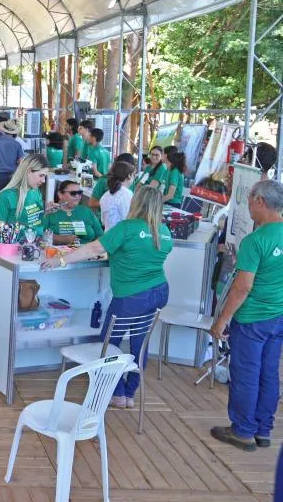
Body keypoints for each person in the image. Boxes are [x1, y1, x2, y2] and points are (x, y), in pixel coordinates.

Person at [41, 186, 172, 409]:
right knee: (140, 344)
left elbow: (93, 248)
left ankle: (117, 393)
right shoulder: (164, 231)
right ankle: (130, 393)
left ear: (137, 202)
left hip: (130, 297)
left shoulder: (127, 228)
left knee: (109, 344)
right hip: (158, 292)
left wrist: (60, 260)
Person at [209, 180, 283, 451]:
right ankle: (263, 430)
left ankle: (242, 430)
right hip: (278, 316)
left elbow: (242, 287)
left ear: (260, 201)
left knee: (246, 374)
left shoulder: (255, 241)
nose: (248, 206)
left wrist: (222, 320)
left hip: (252, 317)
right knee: (269, 373)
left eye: (250, 200)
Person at [0, 154, 49, 258]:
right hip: (17, 252)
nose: (43, 181)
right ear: (29, 171)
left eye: (45, 176)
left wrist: (47, 211)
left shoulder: (36, 191)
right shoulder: (5, 197)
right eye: (41, 175)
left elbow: (35, 221)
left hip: (39, 248)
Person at [44, 180, 103, 244]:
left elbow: (100, 235)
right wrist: (60, 239)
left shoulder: (86, 211)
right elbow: (39, 234)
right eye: (73, 193)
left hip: (87, 251)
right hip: (58, 251)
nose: (77, 196)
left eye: (79, 192)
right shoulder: (50, 212)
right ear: (60, 194)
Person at [100, 161, 135, 230]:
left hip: (107, 236)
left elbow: (103, 221)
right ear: (129, 175)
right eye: (134, 175)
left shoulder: (105, 195)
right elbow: (128, 219)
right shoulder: (127, 194)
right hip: (121, 236)